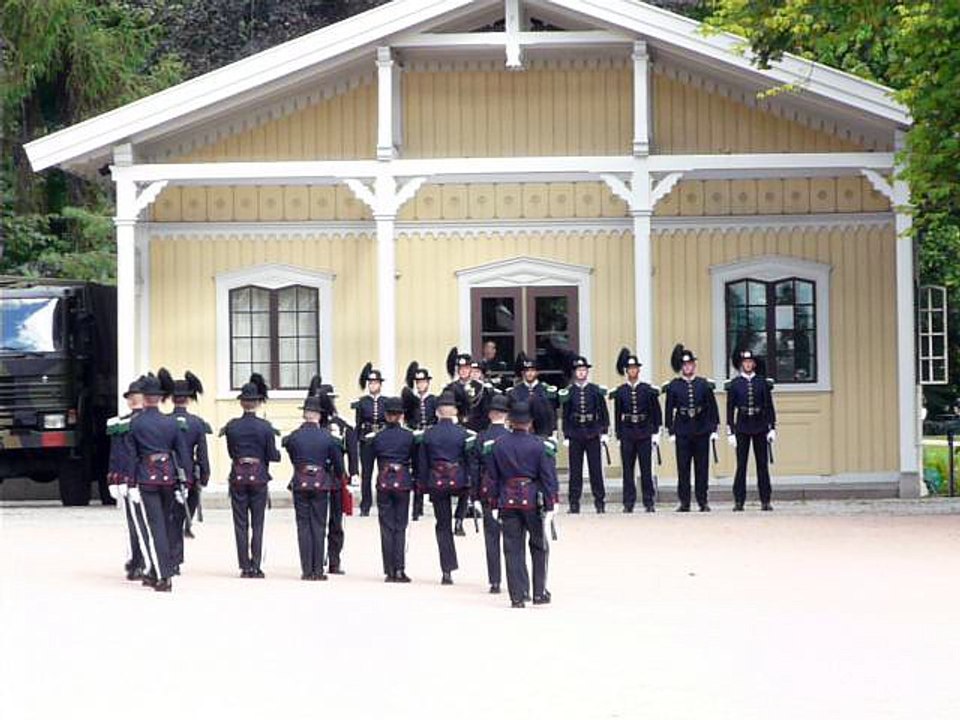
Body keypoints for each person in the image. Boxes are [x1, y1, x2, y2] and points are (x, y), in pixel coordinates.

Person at [488, 401, 559, 609]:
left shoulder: (498, 444)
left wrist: (493, 501)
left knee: (512, 548)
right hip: (532, 499)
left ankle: (517, 596)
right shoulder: (539, 445)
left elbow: (492, 477)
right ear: (530, 422)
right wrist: (551, 501)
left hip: (507, 500)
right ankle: (538, 592)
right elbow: (547, 477)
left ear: (510, 421)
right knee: (538, 546)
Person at [125, 370, 191, 592]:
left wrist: (131, 483)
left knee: (155, 528)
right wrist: (186, 483)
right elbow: (182, 456)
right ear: (160, 398)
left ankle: (163, 575)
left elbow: (131, 457)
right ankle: (156, 570)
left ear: (143, 398)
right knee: (164, 524)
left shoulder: (135, 424)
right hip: (169, 478)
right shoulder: (172, 423)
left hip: (146, 478)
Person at [221, 373, 281, 578]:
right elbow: (272, 455)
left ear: (242, 404)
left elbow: (231, 453)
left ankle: (244, 565)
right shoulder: (265, 427)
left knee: (240, 523)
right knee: (258, 522)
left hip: (238, 475)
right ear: (256, 403)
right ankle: (256, 564)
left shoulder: (232, 426)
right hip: (259, 476)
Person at [283, 394, 345, 581]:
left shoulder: (294, 437)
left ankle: (306, 569)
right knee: (319, 525)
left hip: (301, 481)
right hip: (320, 482)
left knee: (303, 526)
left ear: (305, 415)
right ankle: (318, 570)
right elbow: (339, 466)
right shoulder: (329, 438)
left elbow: (293, 458)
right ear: (319, 416)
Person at [418, 392, 475, 585]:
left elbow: (423, 463)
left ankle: (447, 570)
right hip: (458, 478)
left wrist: (424, 486)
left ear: (437, 412)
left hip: (437, 481)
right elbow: (469, 462)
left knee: (442, 526)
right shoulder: (464, 434)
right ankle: (460, 516)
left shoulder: (429, 434)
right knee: (465, 491)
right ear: (455, 411)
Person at [308, 376, 356, 575]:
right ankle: (320, 558)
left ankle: (333, 559)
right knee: (320, 520)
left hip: (335, 477)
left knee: (335, 521)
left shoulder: (343, 425)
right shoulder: (314, 426)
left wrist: (354, 474)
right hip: (320, 476)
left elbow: (352, 452)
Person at [663, 345, 720, 512]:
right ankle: (684, 501)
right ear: (682, 366)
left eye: (690, 364)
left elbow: (712, 408)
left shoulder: (703, 384)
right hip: (682, 429)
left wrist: (713, 428)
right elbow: (669, 409)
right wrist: (671, 430)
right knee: (683, 467)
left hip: (701, 429)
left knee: (702, 467)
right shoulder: (674, 385)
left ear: (694, 366)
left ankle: (703, 500)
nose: (688, 367)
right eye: (685, 365)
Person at [444, 348, 490, 535]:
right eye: (460, 368)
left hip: (475, 436)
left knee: (474, 477)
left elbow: (486, 414)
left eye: (466, 367)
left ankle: (472, 510)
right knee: (458, 477)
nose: (463, 371)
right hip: (457, 436)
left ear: (471, 369)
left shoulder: (480, 389)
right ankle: (456, 518)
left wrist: (481, 435)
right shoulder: (451, 389)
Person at [610, 348, 663, 513]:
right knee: (628, 470)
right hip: (627, 432)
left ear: (638, 370)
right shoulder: (620, 391)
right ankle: (628, 502)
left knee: (646, 469)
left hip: (644, 431)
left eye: (635, 368)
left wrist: (656, 433)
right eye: (630, 368)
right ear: (626, 371)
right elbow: (618, 413)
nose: (632, 371)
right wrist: (618, 434)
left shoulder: (647, 390)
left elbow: (656, 412)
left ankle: (649, 501)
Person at [470, 393, 512, 594]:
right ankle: (515, 578)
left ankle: (494, 581)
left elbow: (475, 469)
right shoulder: (512, 437)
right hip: (512, 492)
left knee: (491, 538)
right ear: (506, 415)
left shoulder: (481, 438)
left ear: (489, 415)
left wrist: (475, 496)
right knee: (514, 539)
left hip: (488, 492)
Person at [725, 349, 777, 511]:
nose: (748, 364)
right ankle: (739, 500)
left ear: (753, 364)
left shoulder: (762, 382)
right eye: (745, 362)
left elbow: (769, 406)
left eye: (750, 362)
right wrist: (730, 431)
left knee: (762, 465)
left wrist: (772, 427)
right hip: (742, 426)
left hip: (760, 425)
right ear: (742, 364)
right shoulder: (735, 384)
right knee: (741, 465)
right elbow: (730, 409)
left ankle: (765, 500)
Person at [371, 396, 417, 583]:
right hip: (403, 480)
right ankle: (399, 568)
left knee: (386, 526)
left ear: (385, 415)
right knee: (400, 526)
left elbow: (369, 463)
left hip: (384, 480)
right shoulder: (409, 436)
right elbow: (416, 460)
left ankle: (389, 569)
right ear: (401, 416)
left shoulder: (378, 437)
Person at [169, 371, 211, 572]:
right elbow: (202, 453)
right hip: (189, 477)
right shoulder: (197, 423)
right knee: (182, 516)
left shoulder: (165, 421)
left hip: (167, 474)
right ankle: (176, 557)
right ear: (188, 398)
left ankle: (173, 558)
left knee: (171, 518)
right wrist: (204, 477)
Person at [105, 376, 146, 581]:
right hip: (143, 478)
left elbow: (119, 454)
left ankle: (142, 562)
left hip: (140, 478)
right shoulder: (122, 423)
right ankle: (142, 561)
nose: (133, 400)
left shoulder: (127, 423)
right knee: (142, 523)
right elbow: (117, 453)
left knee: (138, 523)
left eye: (135, 396)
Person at [559, 355, 609, 514]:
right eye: (578, 370)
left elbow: (603, 412)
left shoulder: (595, 390)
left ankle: (599, 502)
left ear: (587, 372)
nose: (581, 373)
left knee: (596, 469)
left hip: (593, 432)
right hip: (575, 433)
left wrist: (605, 431)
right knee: (575, 471)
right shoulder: (569, 391)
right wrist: (566, 435)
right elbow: (565, 414)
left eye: (583, 370)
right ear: (575, 373)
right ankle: (574, 503)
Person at [401, 361, 437, 521]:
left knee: (432, 469)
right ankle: (417, 507)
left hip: (429, 436)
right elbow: (407, 419)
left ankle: (433, 501)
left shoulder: (433, 400)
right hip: (416, 437)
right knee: (417, 471)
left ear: (428, 383)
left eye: (423, 382)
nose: (421, 385)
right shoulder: (411, 400)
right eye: (418, 382)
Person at [352, 362, 385, 517]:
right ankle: (365, 504)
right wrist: (359, 439)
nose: (373, 385)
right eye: (370, 383)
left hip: (381, 439)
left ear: (380, 384)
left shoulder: (385, 401)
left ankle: (383, 502)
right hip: (367, 440)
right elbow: (358, 423)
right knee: (367, 473)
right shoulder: (362, 402)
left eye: (375, 383)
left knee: (383, 472)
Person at [507, 352, 558, 439]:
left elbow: (552, 412)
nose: (530, 374)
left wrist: (554, 431)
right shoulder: (515, 391)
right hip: (521, 433)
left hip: (543, 433)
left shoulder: (546, 390)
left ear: (537, 372)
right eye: (527, 371)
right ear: (523, 373)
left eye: (532, 371)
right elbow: (511, 412)